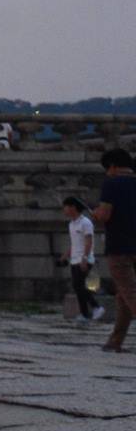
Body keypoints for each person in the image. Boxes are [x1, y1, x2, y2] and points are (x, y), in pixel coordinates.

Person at [92, 149, 136, 352]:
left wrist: (96, 214)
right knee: (123, 295)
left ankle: (115, 340)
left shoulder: (112, 184)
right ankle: (115, 341)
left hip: (120, 245)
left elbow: (105, 214)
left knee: (129, 292)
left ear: (112, 166)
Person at [62, 197, 102, 323]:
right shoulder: (71, 224)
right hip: (74, 259)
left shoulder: (86, 222)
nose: (64, 210)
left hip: (85, 259)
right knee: (77, 287)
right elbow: (74, 243)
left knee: (79, 286)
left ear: (73, 207)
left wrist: (85, 258)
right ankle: (86, 314)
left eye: (66, 207)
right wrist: (66, 255)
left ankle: (96, 308)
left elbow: (88, 241)